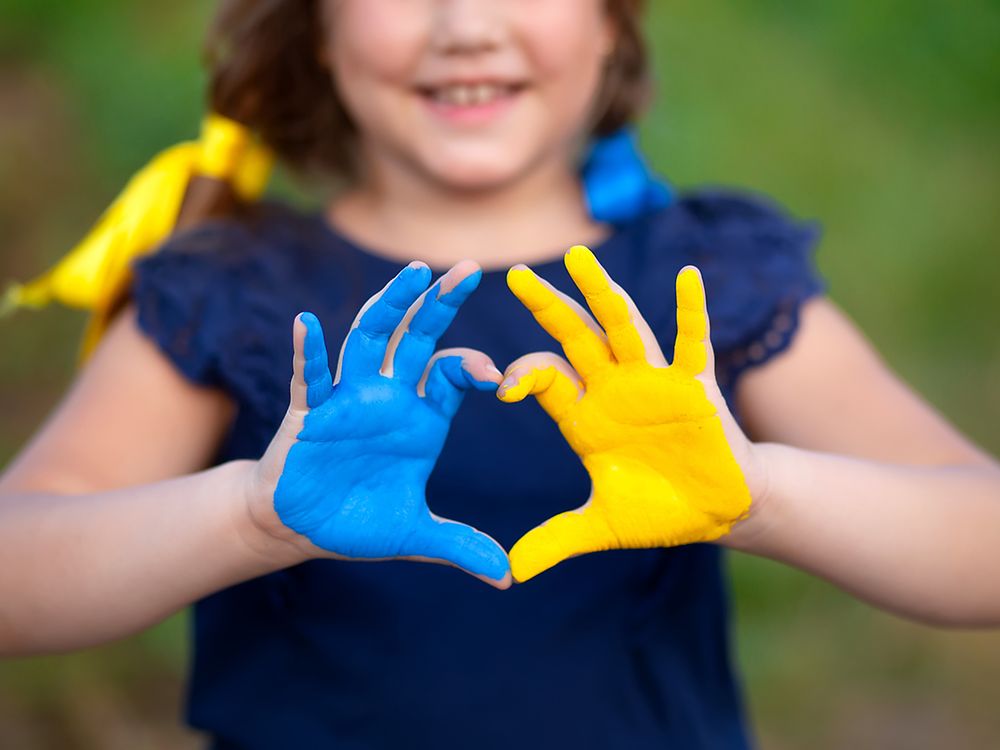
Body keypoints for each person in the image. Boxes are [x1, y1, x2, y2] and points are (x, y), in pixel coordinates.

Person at [1, 1, 998, 748]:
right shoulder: (232, 288)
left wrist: (762, 494)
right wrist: (246, 519)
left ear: (614, 23)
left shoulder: (708, 278)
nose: (466, 25)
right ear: (314, 29)